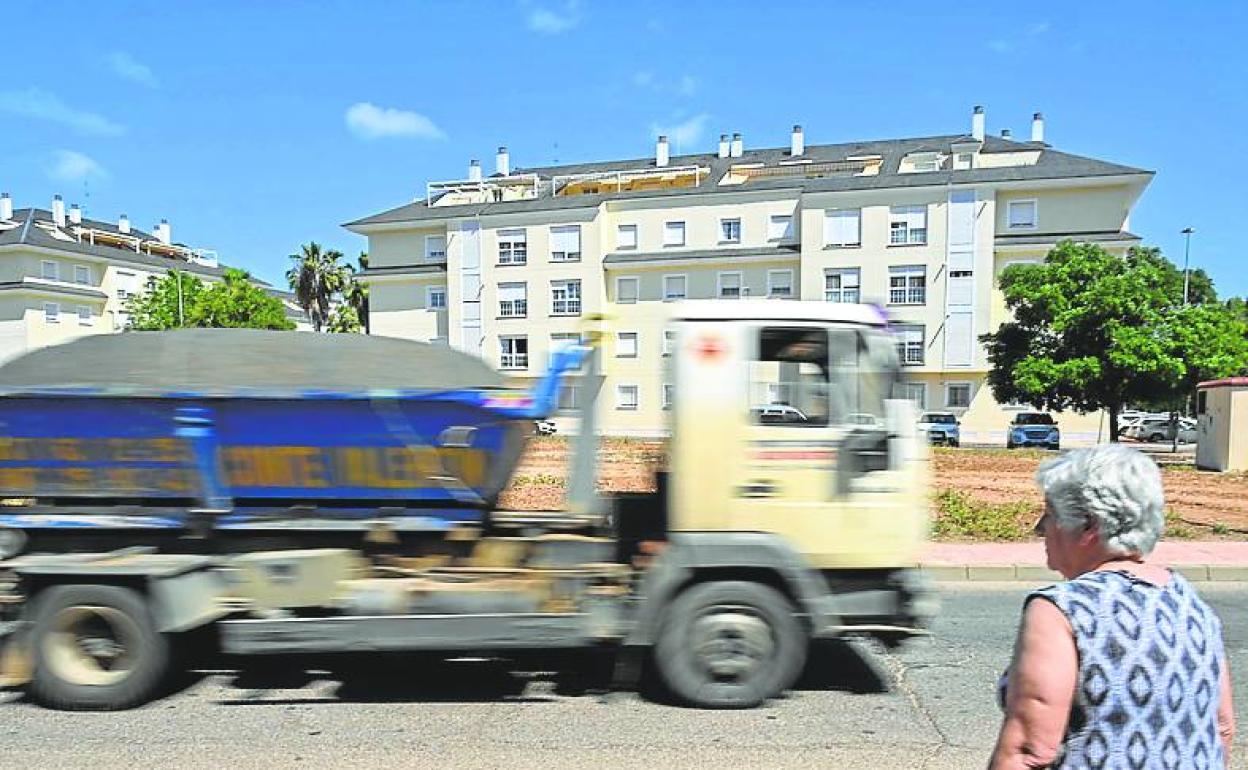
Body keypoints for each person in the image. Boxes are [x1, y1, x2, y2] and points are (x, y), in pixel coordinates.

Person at [989, 444, 1235, 769]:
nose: (1040, 528)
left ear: (1089, 525)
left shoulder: (1062, 610)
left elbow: (1028, 749)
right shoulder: (1192, 606)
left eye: (1049, 514)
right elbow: (1221, 729)